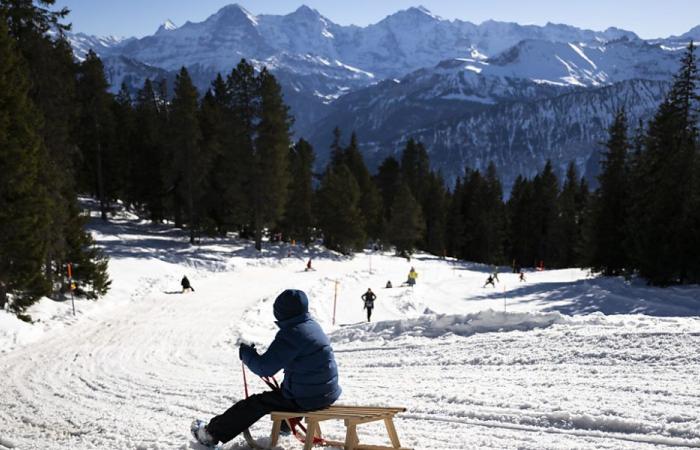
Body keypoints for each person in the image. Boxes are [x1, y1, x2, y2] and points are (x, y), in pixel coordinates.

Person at [191, 289, 342, 447]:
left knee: (256, 403)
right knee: (283, 394)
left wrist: (246, 353)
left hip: (307, 399)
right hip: (327, 393)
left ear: (281, 312)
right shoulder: (311, 325)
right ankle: (284, 429)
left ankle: (212, 434)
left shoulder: (292, 333)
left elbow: (265, 368)